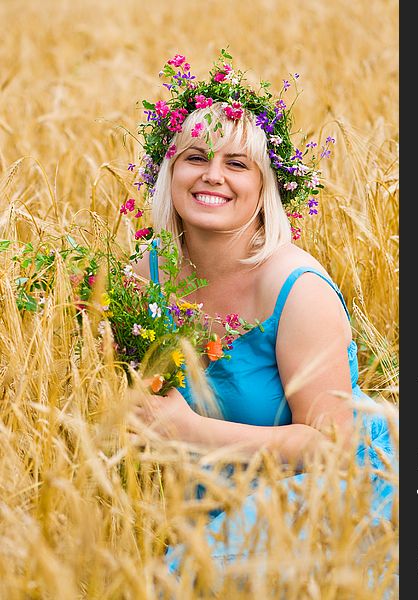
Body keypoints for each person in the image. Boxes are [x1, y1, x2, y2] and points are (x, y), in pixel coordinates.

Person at [131, 53, 396, 571]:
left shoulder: (297, 292)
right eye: (195, 157)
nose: (212, 176)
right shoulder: (145, 276)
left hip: (336, 485)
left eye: (236, 164)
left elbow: (332, 450)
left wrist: (190, 433)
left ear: (265, 185)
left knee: (183, 575)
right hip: (221, 485)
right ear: (169, 169)